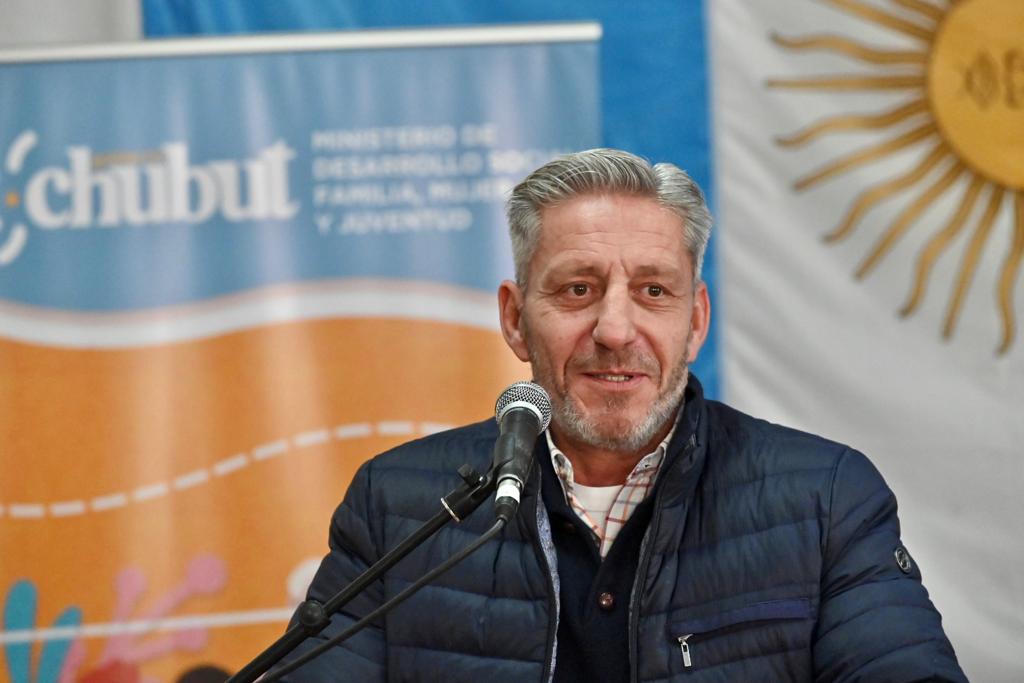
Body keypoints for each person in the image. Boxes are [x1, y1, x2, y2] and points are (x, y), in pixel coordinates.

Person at [282, 149, 966, 681]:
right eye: (578, 289)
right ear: (515, 320)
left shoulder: (825, 498)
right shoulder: (397, 505)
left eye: (653, 290)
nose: (615, 329)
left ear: (695, 321)